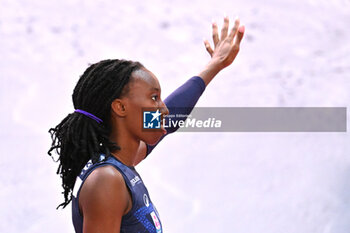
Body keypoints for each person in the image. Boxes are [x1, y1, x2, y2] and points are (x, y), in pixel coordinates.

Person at [48, 16, 245, 233]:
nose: (164, 109)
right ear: (120, 108)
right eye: (154, 98)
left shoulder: (119, 165)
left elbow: (169, 122)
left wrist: (215, 65)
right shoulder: (106, 180)